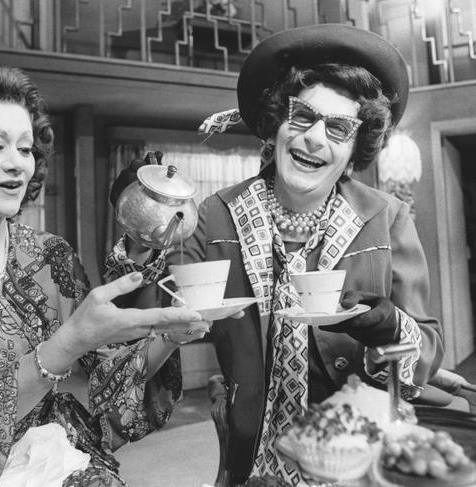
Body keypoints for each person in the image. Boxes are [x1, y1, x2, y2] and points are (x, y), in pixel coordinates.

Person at [107, 24, 444, 485]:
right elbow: (155, 324)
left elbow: (422, 351)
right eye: (303, 117)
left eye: (339, 128)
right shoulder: (216, 214)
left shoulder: (388, 218)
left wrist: (390, 328)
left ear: (354, 149)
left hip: (359, 456)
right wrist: (145, 233)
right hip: (252, 459)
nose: (314, 139)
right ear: (278, 123)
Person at [0, 61, 207, 487]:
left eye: (25, 148)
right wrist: (67, 344)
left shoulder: (51, 254)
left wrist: (168, 335)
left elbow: (98, 394)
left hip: (60, 456)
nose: (17, 164)